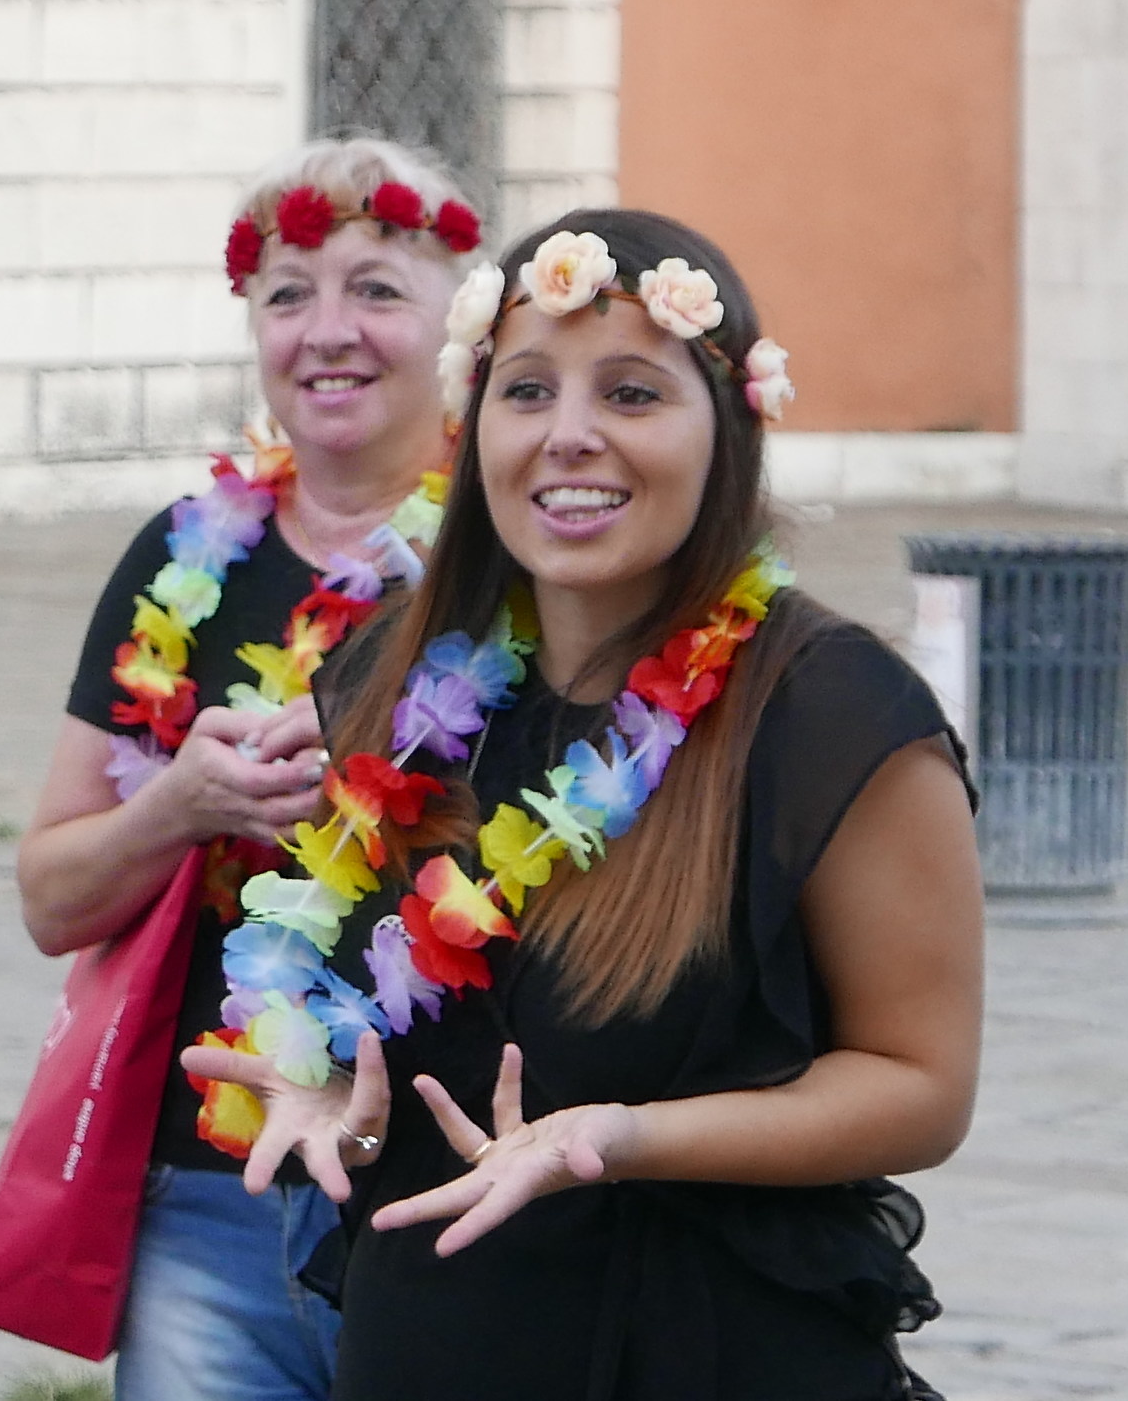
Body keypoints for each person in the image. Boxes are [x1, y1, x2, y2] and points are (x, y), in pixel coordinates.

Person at [181, 210, 983, 1400]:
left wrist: (616, 1137)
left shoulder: (836, 717)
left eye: (632, 394)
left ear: (730, 428)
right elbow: (398, 1054)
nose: (569, 437)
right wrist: (338, 1109)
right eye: (527, 391)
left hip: (713, 1353)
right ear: (473, 425)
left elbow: (922, 1083)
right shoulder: (388, 684)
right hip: (433, 1350)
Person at [16, 139, 482, 1401]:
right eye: (287, 293)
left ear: (460, 324)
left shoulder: (523, 554)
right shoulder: (183, 554)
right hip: (211, 1197)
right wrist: (178, 804)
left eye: (378, 288)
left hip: (450, 1195)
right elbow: (52, 897)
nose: (328, 329)